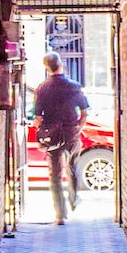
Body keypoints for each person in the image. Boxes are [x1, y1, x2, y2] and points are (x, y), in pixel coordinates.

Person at [34, 51, 89, 224]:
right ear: (60, 64)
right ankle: (73, 199)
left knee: (55, 174)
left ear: (46, 67)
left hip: (52, 135)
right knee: (72, 167)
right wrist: (77, 128)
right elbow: (84, 113)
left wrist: (41, 131)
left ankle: (60, 215)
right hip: (71, 132)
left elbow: (38, 118)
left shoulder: (42, 88)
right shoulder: (74, 86)